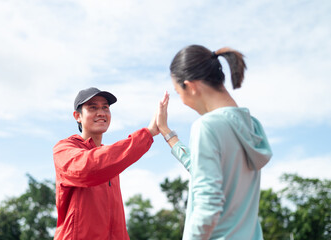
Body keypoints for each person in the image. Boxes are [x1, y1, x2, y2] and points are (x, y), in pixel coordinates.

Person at [156, 45, 272, 239]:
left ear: (191, 86)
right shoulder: (251, 126)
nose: (183, 101)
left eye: (179, 92)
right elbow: (206, 170)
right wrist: (167, 132)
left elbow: (207, 206)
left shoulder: (207, 126)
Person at [53, 87, 159, 239]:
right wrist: (147, 134)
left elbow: (115, 220)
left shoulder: (110, 158)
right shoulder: (64, 149)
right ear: (77, 116)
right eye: (93, 107)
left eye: (105, 108)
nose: (101, 113)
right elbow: (88, 168)